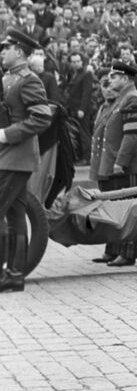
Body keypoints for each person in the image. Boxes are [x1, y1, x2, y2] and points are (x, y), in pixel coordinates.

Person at [0, 30, 53, 293]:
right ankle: (15, 274)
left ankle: (6, 272)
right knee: (15, 215)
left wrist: (6, 134)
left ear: (19, 51)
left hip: (16, 156)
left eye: (5, 48)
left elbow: (42, 117)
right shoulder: (10, 77)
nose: (1, 53)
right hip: (10, 156)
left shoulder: (29, 80)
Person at [90, 61, 137, 267]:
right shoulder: (120, 99)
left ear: (125, 78)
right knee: (114, 208)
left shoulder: (132, 98)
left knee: (127, 209)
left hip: (126, 165)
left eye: (114, 76)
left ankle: (130, 251)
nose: (110, 79)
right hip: (113, 162)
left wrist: (120, 162)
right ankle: (114, 249)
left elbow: (131, 135)